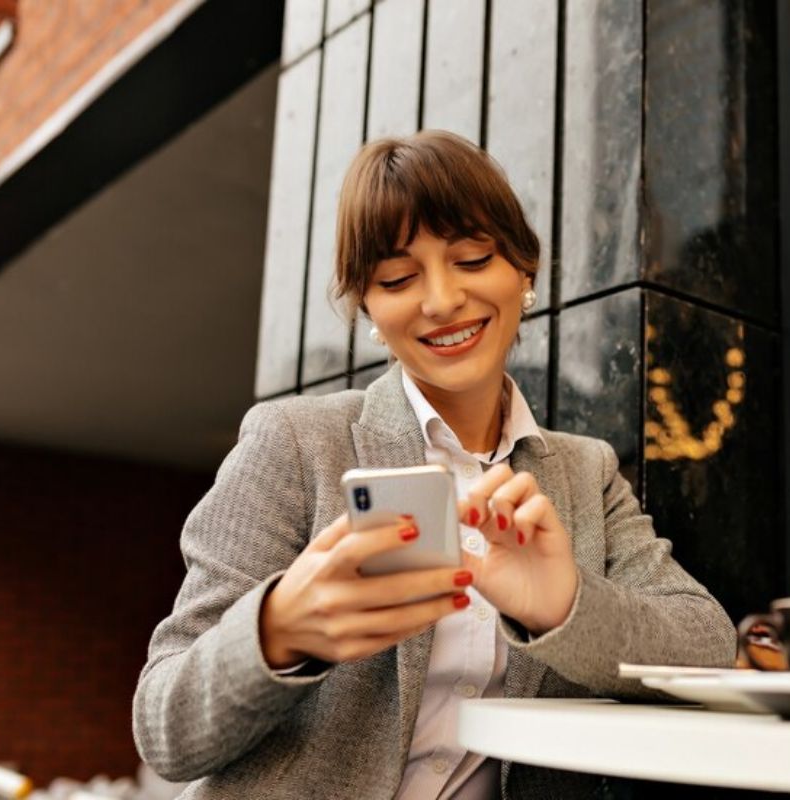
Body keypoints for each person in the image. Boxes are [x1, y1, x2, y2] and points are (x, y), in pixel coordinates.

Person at [132, 130, 736, 799]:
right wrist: (276, 630)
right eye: (396, 278)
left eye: (473, 259)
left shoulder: (584, 474)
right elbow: (165, 731)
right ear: (370, 306)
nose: (442, 300)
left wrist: (562, 605)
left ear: (523, 272)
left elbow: (707, 646)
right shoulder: (297, 443)